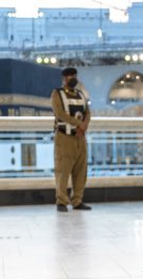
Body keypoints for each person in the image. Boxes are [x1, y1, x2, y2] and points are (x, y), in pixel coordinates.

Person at [51, 67, 92, 212]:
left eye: (74, 75)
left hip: (80, 138)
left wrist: (84, 125)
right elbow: (60, 114)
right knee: (63, 170)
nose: (73, 78)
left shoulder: (81, 94)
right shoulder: (57, 94)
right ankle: (61, 201)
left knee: (81, 170)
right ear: (64, 78)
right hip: (64, 137)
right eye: (69, 76)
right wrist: (79, 124)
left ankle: (77, 200)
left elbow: (87, 112)